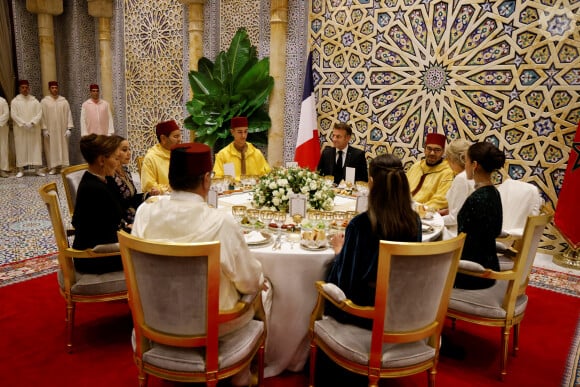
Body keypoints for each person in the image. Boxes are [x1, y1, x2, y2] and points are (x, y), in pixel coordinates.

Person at [132, 143, 268, 333]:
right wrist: (262, 278)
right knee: (266, 290)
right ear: (206, 179)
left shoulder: (145, 212)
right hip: (213, 327)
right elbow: (250, 283)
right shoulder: (222, 223)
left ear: (170, 179)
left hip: (154, 320)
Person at [325, 154, 421, 329]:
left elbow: (345, 282)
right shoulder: (414, 220)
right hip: (404, 307)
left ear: (371, 182)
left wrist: (339, 251)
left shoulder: (361, 224)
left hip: (363, 313)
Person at [72, 134, 126, 274]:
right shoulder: (93, 189)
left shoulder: (101, 180)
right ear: (102, 160)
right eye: (115, 158)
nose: (118, 163)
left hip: (101, 249)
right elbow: (105, 233)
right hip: (95, 257)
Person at [454, 141, 506, 290]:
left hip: (471, 273)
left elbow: (464, 240)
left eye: (466, 161)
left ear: (474, 165)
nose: (465, 165)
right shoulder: (494, 193)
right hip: (490, 265)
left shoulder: (477, 199)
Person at [406, 132, 455, 210]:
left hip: (425, 214)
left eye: (437, 150)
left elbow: (441, 200)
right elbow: (402, 187)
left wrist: (419, 209)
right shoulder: (417, 166)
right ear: (424, 149)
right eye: (429, 149)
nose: (432, 153)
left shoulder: (447, 172)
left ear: (443, 152)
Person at [213, 116, 271, 180]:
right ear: (232, 132)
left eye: (245, 131)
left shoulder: (256, 153)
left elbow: (266, 175)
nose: (243, 136)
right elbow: (217, 178)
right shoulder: (223, 155)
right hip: (232, 189)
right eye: (240, 132)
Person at [440, 139, 474, 240]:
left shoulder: (462, 178)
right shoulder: (475, 173)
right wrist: (448, 210)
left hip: (458, 234)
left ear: (452, 159)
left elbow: (455, 219)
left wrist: (434, 220)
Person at [10, 80, 44, 177]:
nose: (25, 89)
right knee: (21, 148)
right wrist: (23, 123)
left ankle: (37, 170)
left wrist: (32, 122)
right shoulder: (15, 101)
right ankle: (21, 170)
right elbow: (13, 114)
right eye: (22, 87)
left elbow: (39, 113)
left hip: (33, 129)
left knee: (35, 148)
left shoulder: (35, 101)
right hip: (21, 130)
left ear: (29, 88)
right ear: (19, 89)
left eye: (26, 87)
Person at [140, 119, 182, 194]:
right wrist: (167, 189)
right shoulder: (151, 158)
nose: (179, 140)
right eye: (176, 136)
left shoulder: (180, 154)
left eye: (179, 136)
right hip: (161, 201)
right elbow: (149, 187)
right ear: (163, 139)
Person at [41, 81, 74, 175]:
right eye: (52, 88)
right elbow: (42, 116)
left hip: (62, 130)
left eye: (56, 88)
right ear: (49, 89)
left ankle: (64, 166)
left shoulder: (64, 101)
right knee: (51, 147)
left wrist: (69, 128)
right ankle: (53, 167)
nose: (54, 89)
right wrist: (44, 129)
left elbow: (69, 114)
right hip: (50, 130)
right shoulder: (44, 102)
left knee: (63, 146)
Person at [111, 135, 144, 224]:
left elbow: (133, 196)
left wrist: (148, 195)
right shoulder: (110, 176)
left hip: (134, 213)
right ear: (114, 152)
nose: (129, 153)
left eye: (129, 149)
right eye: (124, 150)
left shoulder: (125, 170)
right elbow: (115, 208)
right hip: (123, 220)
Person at [0, 95, 9, 177]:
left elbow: (6, 114)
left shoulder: (2, 101)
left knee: (2, 149)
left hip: (1, 129)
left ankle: (2, 170)